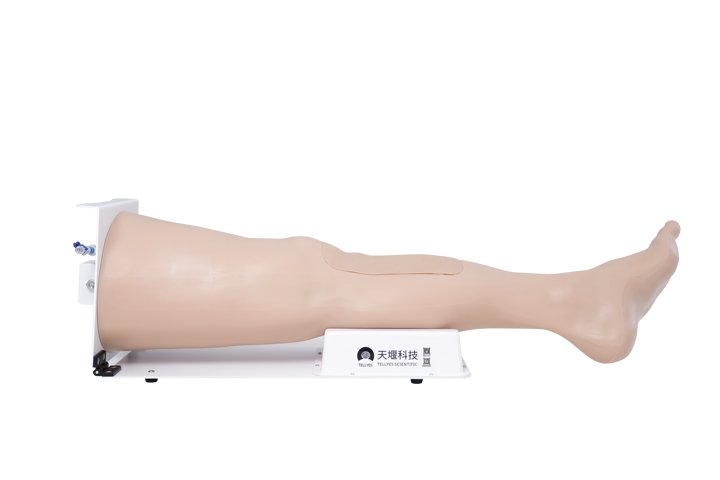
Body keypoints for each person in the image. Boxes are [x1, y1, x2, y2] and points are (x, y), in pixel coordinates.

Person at [97, 213, 680, 363]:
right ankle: (573, 301)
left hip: (124, 275)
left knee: (318, 280)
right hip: (123, 284)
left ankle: (572, 299)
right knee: (315, 285)